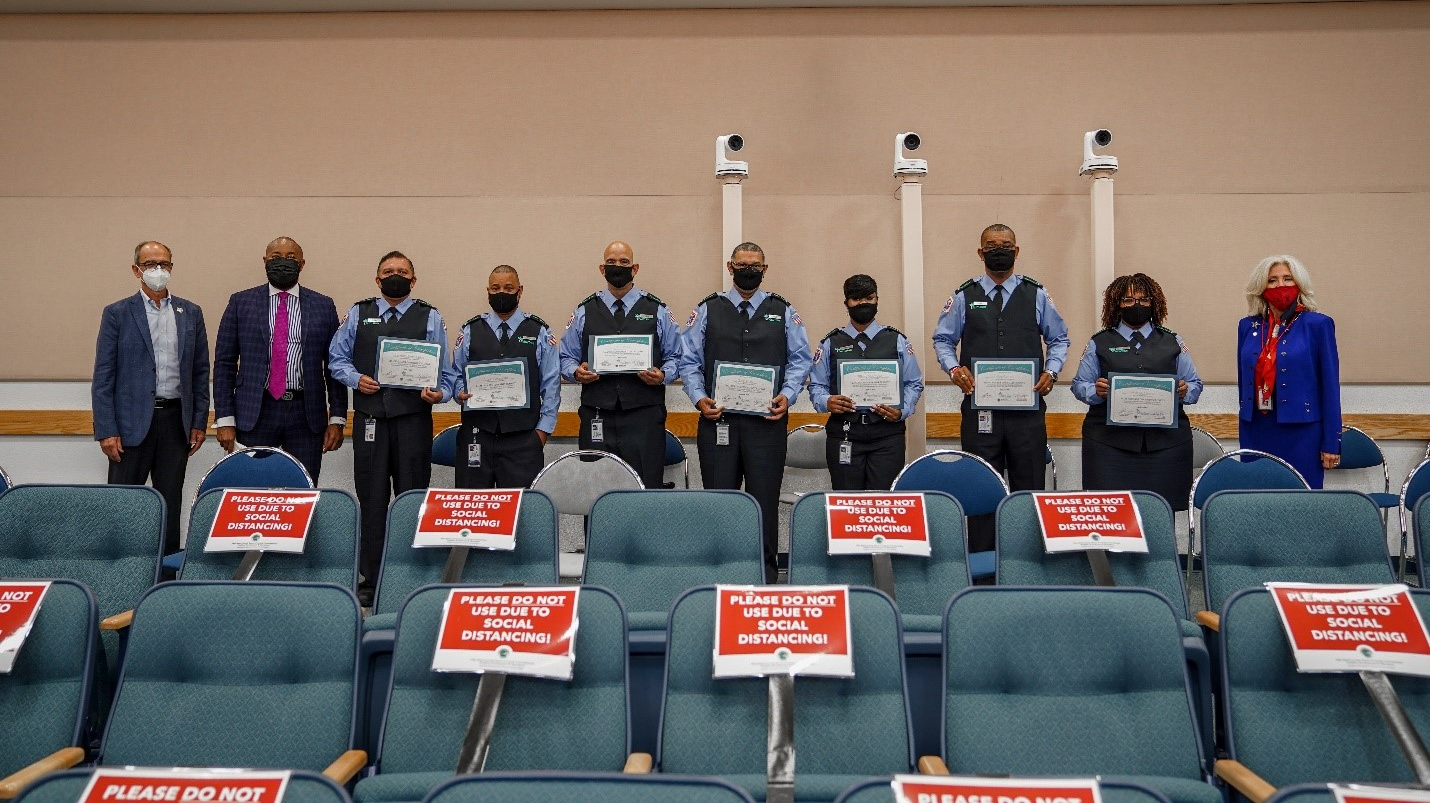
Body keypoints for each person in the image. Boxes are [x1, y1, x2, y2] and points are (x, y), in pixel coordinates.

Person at [329, 251, 458, 605]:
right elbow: (336, 359)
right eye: (388, 271)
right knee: (371, 499)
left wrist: (439, 393)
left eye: (402, 272)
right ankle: (371, 578)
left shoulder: (429, 316)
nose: (395, 276)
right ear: (377, 278)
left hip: (413, 420)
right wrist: (356, 379)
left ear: (413, 281)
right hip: (370, 420)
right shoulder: (358, 313)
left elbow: (446, 374)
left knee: (412, 499)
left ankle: (412, 574)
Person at [931, 223, 1069, 552]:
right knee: (982, 488)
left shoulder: (1037, 293)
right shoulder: (963, 296)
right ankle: (982, 568)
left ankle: (1025, 563)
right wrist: (953, 368)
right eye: (991, 245)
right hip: (982, 414)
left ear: (1017, 250)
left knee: (1028, 488)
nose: (999, 249)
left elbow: (1060, 338)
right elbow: (942, 339)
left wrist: (1052, 371)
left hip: (1027, 414)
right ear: (980, 253)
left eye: (1006, 244)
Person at [680, 242, 813, 582]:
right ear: (730, 266)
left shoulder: (783, 310)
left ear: (765, 269)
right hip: (717, 422)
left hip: (766, 424)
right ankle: (719, 576)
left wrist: (787, 395)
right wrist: (698, 398)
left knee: (764, 504)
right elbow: (689, 360)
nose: (748, 269)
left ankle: (766, 578)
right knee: (720, 504)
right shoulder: (709, 308)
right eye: (742, 264)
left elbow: (800, 360)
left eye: (755, 265)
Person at [92, 241, 210, 556]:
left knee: (169, 504)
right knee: (124, 504)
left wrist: (199, 421)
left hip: (175, 423)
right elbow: (104, 376)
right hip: (129, 425)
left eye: (164, 264)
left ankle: (165, 577)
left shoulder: (191, 313)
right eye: (150, 264)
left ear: (171, 267)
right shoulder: (117, 313)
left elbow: (200, 372)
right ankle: (118, 569)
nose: (158, 270)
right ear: (136, 270)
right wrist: (106, 428)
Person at [212, 237, 346, 482]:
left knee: (302, 489)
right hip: (255, 412)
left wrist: (337, 417)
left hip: (306, 414)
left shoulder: (323, 305)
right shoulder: (240, 302)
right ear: (264, 261)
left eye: (291, 258)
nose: (283, 262)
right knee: (252, 489)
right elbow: (224, 364)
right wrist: (224, 419)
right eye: (275, 258)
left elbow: (334, 365)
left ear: (302, 264)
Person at [1070, 273, 1203, 509]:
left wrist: (1185, 390)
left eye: (1143, 300)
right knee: (1113, 515)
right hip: (1108, 446)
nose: (1137, 305)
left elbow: (1195, 384)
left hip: (1165, 446)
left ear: (1154, 303)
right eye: (1128, 300)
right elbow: (1080, 384)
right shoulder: (1099, 342)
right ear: (1117, 304)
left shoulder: (1173, 341)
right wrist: (1095, 391)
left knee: (1161, 512)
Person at [558, 241, 683, 489]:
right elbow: (564, 357)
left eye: (624, 262)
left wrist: (663, 375)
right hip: (598, 416)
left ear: (635, 268)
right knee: (597, 492)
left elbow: (678, 357)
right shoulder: (584, 311)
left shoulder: (657, 309)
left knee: (645, 491)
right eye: (611, 263)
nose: (618, 267)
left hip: (644, 417)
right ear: (602, 269)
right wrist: (575, 372)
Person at [444, 264, 560, 489]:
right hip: (477, 436)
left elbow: (551, 385)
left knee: (522, 512)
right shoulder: (469, 330)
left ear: (520, 290)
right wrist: (459, 392)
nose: (501, 293)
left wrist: (542, 432)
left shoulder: (539, 331)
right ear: (487, 291)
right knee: (475, 511)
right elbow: (456, 374)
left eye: (508, 287)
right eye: (495, 288)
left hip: (524, 439)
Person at [808, 274, 925, 491]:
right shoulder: (830, 342)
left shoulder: (897, 340)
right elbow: (816, 386)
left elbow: (914, 383)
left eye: (869, 298)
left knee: (884, 505)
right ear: (846, 303)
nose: (863, 303)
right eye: (856, 299)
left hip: (887, 437)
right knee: (847, 505)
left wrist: (902, 410)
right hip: (845, 435)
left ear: (877, 299)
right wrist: (826, 401)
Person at [1236, 255, 1341, 488]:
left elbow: (1330, 387)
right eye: (1272, 281)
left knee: (1301, 504)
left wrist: (1332, 442)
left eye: (1287, 279)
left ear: (1300, 284)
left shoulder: (1318, 325)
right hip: (1256, 430)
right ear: (1261, 287)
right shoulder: (1248, 326)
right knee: (1256, 502)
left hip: (1302, 432)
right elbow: (1245, 384)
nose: (1280, 286)